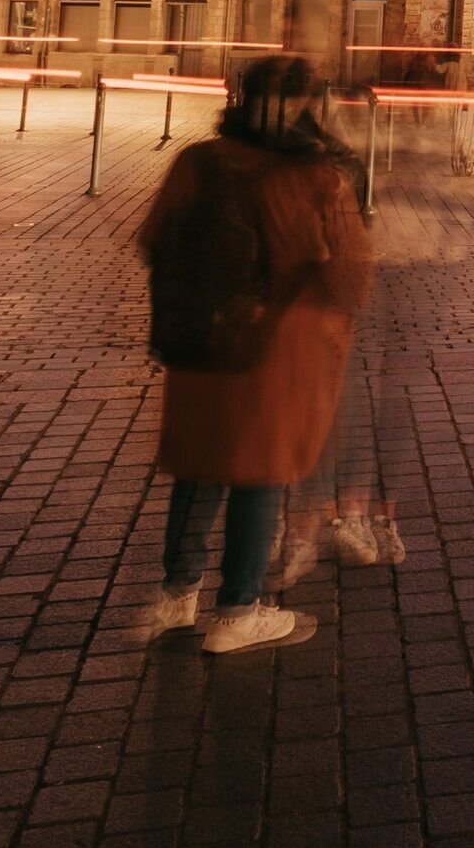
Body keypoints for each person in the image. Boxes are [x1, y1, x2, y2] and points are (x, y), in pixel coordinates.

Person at [136, 56, 372, 655]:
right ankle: (238, 609)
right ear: (310, 107)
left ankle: (176, 595)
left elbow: (152, 239)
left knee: (201, 465)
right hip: (279, 348)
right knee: (258, 470)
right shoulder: (317, 177)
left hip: (200, 338)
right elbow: (349, 280)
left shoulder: (197, 162)